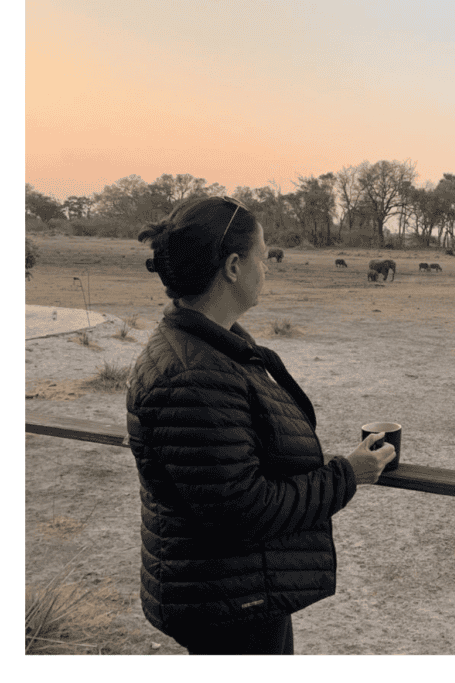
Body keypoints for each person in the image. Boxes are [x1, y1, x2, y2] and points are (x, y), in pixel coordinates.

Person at [126, 197, 395, 655]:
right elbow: (243, 510)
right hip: (228, 601)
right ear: (233, 267)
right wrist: (348, 475)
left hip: (236, 585)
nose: (267, 268)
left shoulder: (209, 349)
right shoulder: (195, 376)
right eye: (263, 256)